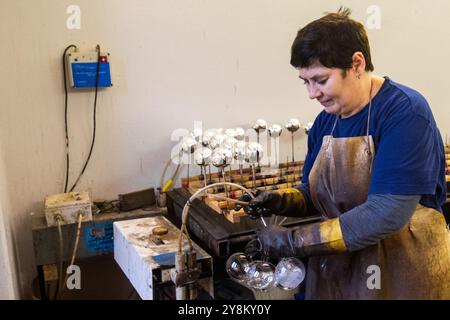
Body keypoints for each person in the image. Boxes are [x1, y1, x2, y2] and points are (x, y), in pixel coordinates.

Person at [239, 7, 450, 299]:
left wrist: (292, 241)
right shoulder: (327, 121)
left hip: (402, 270)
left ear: (357, 63)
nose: (312, 93)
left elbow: (386, 214)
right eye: (306, 82)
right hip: (343, 272)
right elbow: (318, 192)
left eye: (321, 80)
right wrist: (284, 200)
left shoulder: (404, 112)